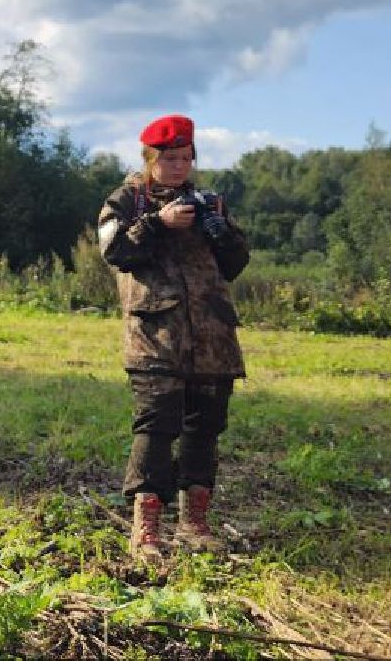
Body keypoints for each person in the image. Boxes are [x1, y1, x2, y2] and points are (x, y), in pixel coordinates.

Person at [97, 114, 250, 557]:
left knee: (204, 428)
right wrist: (158, 224)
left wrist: (220, 234)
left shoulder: (209, 202)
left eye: (186, 158)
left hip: (213, 336)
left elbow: (236, 264)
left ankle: (194, 523)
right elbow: (114, 252)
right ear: (150, 158)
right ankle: (146, 528)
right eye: (170, 158)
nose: (179, 166)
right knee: (156, 427)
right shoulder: (127, 200)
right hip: (156, 336)